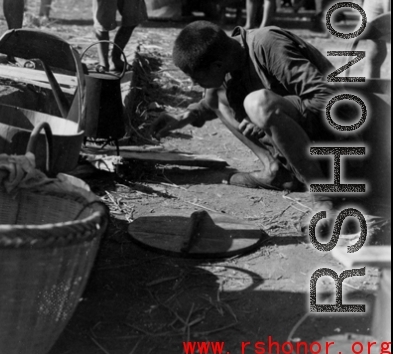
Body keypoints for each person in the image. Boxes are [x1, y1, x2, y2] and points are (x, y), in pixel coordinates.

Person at [153, 21, 390, 232]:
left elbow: (328, 98)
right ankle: (276, 171)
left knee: (259, 104)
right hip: (310, 146)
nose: (193, 84)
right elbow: (211, 102)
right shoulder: (229, 61)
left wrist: (269, 114)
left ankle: (325, 199)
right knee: (219, 97)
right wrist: (182, 118)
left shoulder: (268, 43)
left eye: (195, 78)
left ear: (216, 65)